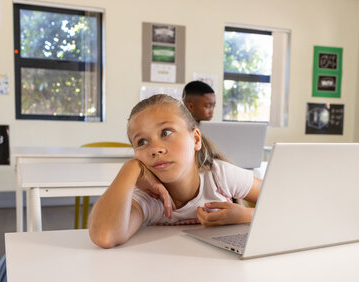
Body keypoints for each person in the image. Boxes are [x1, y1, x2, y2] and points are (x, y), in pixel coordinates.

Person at [88, 94, 261, 249]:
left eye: (166, 132)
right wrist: (131, 167)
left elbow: (284, 205)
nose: (155, 149)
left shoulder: (220, 176)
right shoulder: (148, 198)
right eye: (141, 142)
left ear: (195, 139)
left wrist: (244, 215)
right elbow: (105, 236)